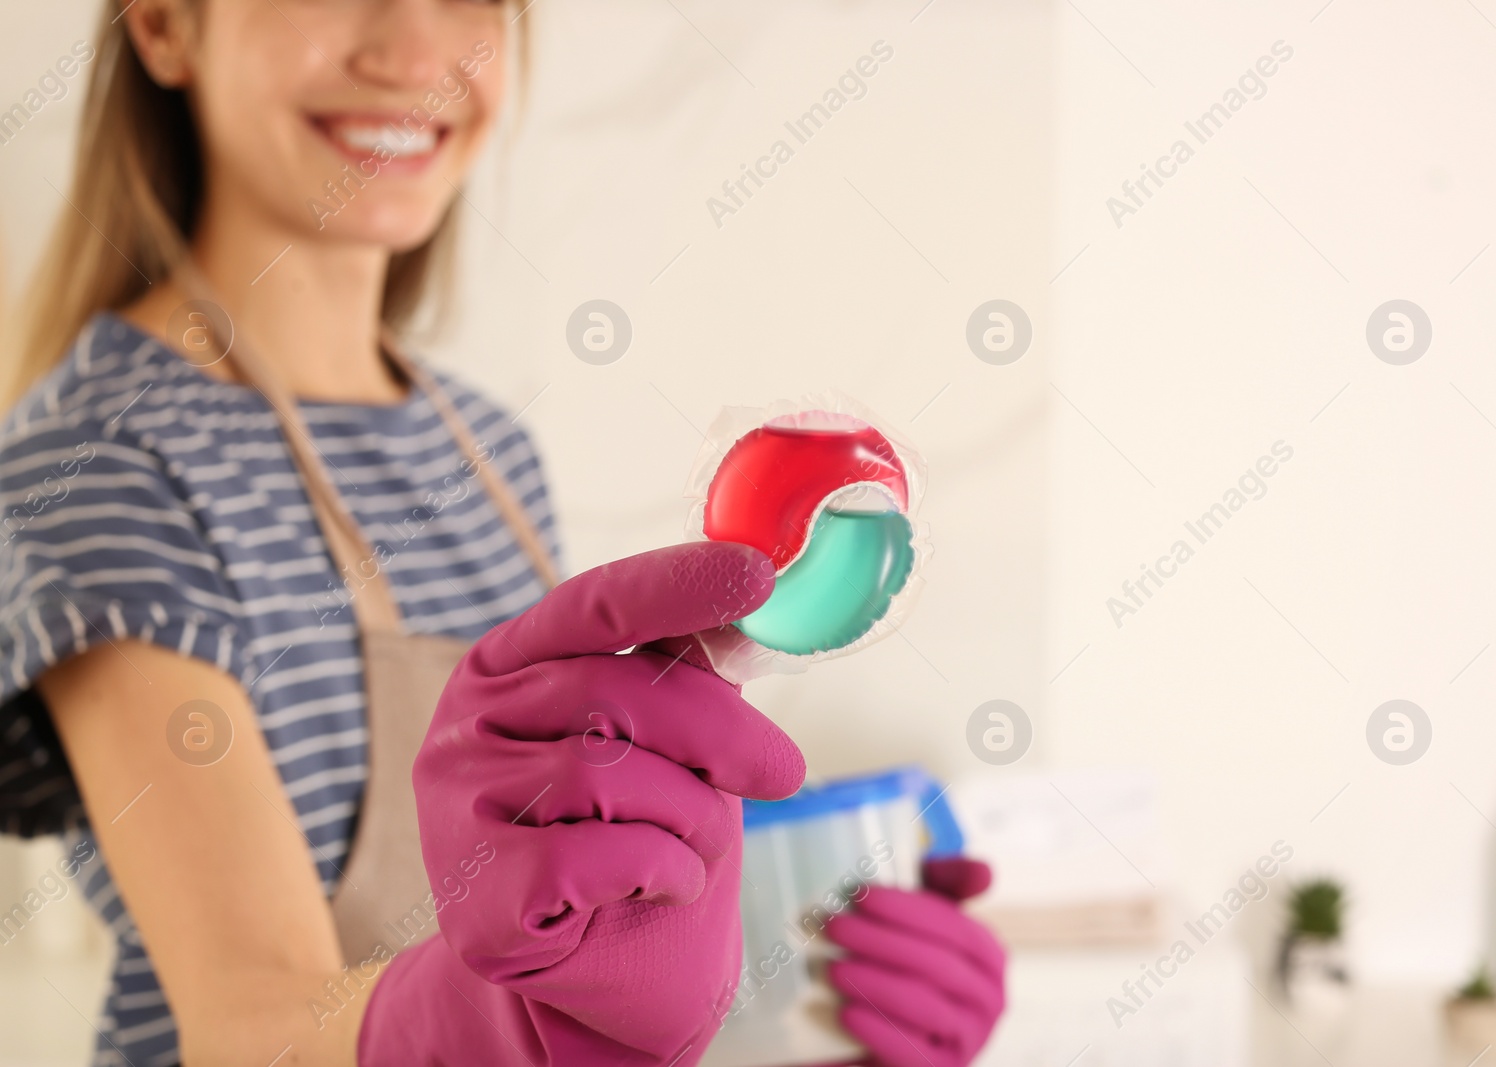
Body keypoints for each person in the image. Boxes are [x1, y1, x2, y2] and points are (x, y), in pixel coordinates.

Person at [0, 2, 1005, 1065]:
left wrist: (807, 959)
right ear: (162, 26)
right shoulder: (102, 462)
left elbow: (574, 877)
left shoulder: (487, 449)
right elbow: (243, 1024)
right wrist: (505, 1017)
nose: (413, 53)